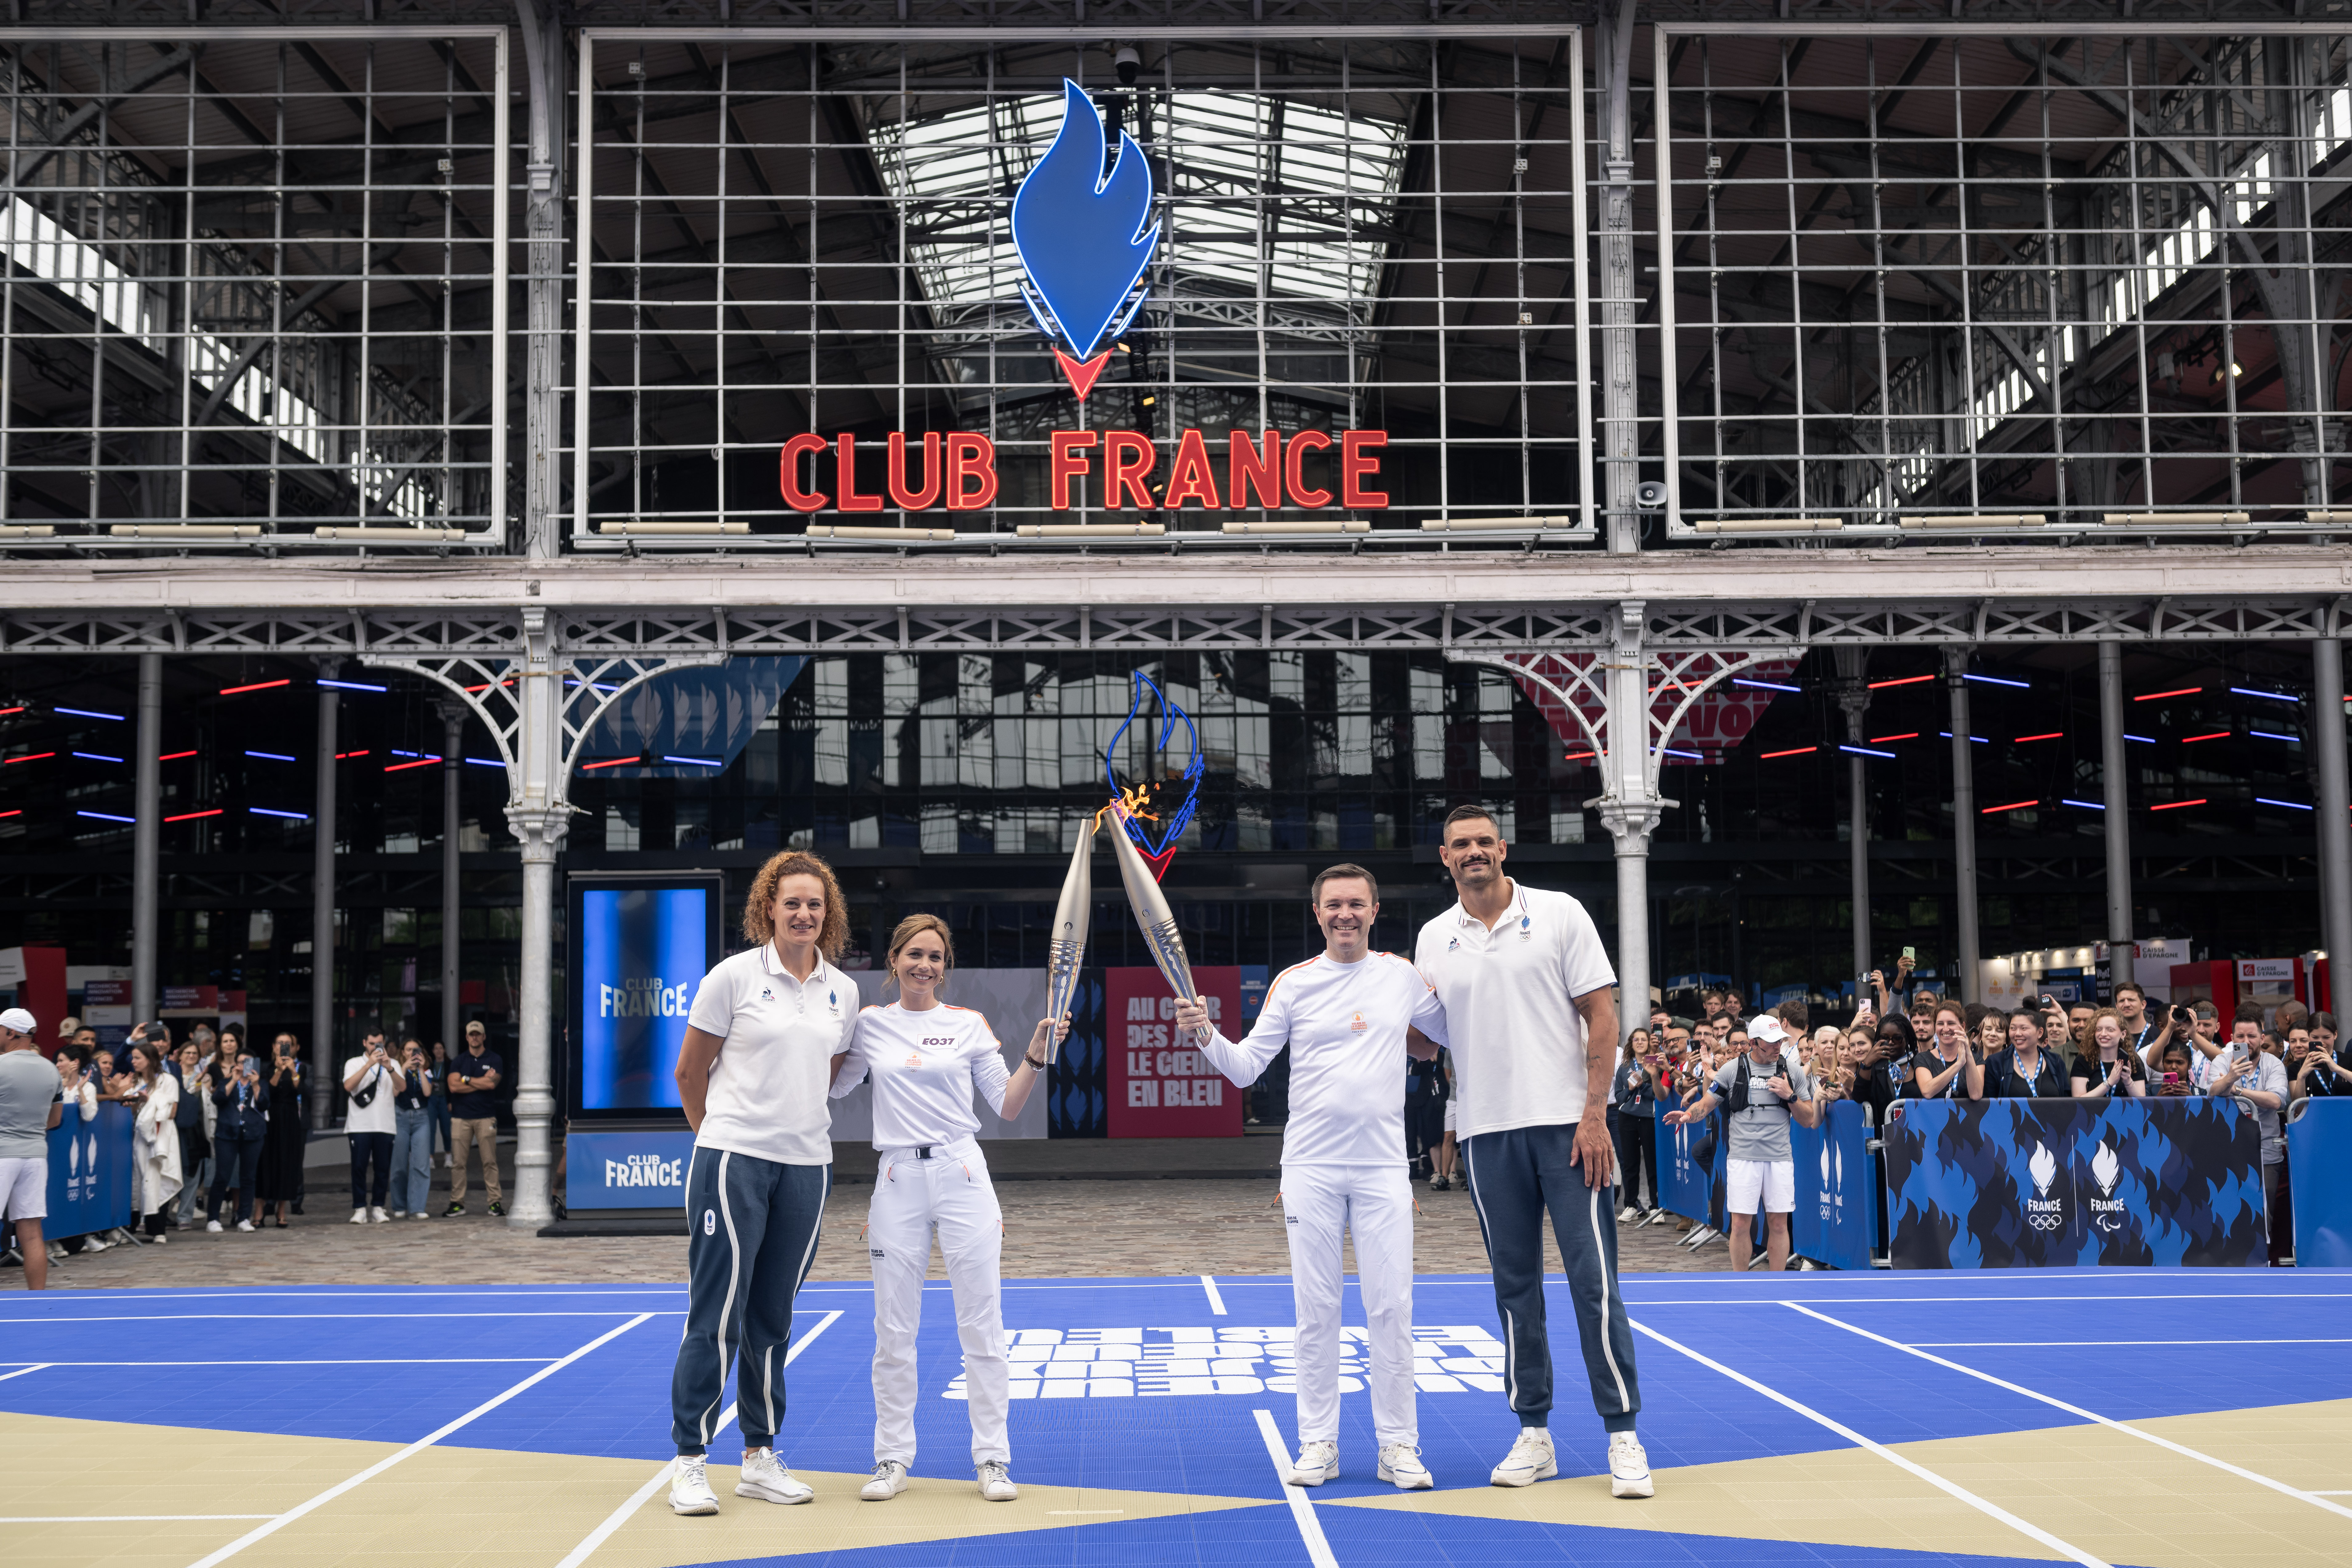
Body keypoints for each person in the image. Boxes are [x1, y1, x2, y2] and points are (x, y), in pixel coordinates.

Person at [1177, 865, 1449, 1492]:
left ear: (1375, 911)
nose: (1344, 913)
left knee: (1391, 1308)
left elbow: (1449, 1032)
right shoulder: (1294, 983)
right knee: (1317, 1309)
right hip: (1311, 1168)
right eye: (1334, 905)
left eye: (1356, 903)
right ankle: (1318, 1441)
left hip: (1383, 1167)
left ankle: (1398, 1445)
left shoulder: (1401, 976)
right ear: (1317, 912)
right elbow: (1245, 1068)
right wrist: (1205, 1034)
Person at [1412, 806, 1650, 1499]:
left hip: (1568, 1126)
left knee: (1593, 1281)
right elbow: (1425, 1039)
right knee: (1514, 1288)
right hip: (1486, 1133)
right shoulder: (1432, 937)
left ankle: (1623, 1433)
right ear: (1445, 856)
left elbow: (1602, 1015)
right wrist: (1366, 1000)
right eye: (1461, 844)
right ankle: (1534, 1432)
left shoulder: (1559, 913)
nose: (1474, 851)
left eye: (1484, 841)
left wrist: (1595, 1114)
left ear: (1503, 848)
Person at [834, 913, 1064, 1505]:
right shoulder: (870, 1024)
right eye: (914, 954)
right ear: (894, 960)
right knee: (893, 1330)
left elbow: (1007, 1104)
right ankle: (892, 1458)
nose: (925, 965)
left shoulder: (968, 1024)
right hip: (897, 1177)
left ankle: (993, 1459)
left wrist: (1035, 1056)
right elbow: (833, 1087)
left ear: (946, 966)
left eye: (935, 957)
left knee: (982, 1324)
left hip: (962, 1173)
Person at [667, 850, 857, 1518]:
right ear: (768, 908)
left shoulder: (842, 990)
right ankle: (690, 1461)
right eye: (792, 902)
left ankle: (758, 1456)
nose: (804, 913)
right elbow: (689, 1073)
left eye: (815, 903)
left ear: (828, 912)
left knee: (772, 1316)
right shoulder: (733, 977)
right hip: (732, 1159)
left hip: (807, 1165)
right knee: (718, 1312)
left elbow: (825, 1073)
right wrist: (720, 1139)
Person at [1667, 1015, 1819, 1272]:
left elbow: (1808, 1119)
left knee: (1778, 1224)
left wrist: (1790, 1095)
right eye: (1771, 1042)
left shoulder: (1792, 1071)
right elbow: (1706, 1103)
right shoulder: (1732, 1069)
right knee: (1739, 1224)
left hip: (1779, 1158)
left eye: (1780, 1041)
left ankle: (1778, 1283)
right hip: (1742, 1158)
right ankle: (1741, 1282)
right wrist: (1687, 1115)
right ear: (1753, 1042)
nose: (1777, 1046)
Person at [2210, 1007, 2288, 1231]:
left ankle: (2264, 1254)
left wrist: (2236, 1089)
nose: (2246, 1041)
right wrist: (2231, 1077)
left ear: (2262, 1038)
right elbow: (2213, 1092)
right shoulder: (2222, 1061)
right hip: (2228, 1150)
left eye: (2252, 1036)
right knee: (2227, 1212)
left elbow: (2275, 1101)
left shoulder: (2274, 1064)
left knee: (2264, 1213)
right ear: (2232, 1038)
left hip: (2265, 1151)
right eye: (2241, 1036)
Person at [0, 1008, 62, 1289]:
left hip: (3, 1154)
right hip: (36, 1155)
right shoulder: (51, 1069)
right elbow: (55, 1120)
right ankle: (38, 1300)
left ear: (11, 1032)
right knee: (32, 1232)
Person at [341, 1030, 404, 1224]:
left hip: (385, 1125)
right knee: (359, 1168)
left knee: (383, 1169)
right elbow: (348, 1086)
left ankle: (378, 1207)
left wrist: (389, 1068)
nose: (376, 1047)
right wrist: (369, 1065)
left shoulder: (393, 1063)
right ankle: (360, 1209)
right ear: (364, 1043)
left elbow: (402, 1088)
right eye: (372, 1044)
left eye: (379, 1044)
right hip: (359, 1125)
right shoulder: (353, 1063)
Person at [445, 1022, 504, 1217]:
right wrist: (479, 1081)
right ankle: (457, 1203)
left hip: (486, 1117)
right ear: (467, 1037)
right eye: (472, 1035)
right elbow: (453, 1087)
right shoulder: (458, 1061)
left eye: (478, 1034)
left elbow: (491, 1085)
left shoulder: (495, 1059)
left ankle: (495, 1203)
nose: (475, 1038)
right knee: (458, 1164)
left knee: (490, 1162)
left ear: (484, 1037)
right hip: (460, 1119)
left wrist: (466, 1079)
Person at [126, 1042, 182, 1239]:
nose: (133, 1062)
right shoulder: (133, 1081)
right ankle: (132, 1227)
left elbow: (172, 1112)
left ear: (150, 1060)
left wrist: (151, 1103)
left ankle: (157, 1230)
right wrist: (138, 1103)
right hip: (139, 1136)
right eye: (133, 1058)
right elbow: (131, 1112)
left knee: (158, 1176)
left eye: (137, 1058)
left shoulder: (168, 1081)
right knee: (137, 1178)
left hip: (161, 1135)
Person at [208, 1051, 268, 1232]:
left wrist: (256, 1085)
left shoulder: (261, 1083)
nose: (243, 1066)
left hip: (253, 1134)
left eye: (248, 1062)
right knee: (222, 1176)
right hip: (227, 1133)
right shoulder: (226, 1081)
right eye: (240, 1062)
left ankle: (244, 1218)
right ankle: (213, 1219)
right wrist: (233, 1080)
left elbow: (264, 1105)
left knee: (249, 1177)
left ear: (255, 1064)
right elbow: (217, 1099)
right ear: (235, 1064)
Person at [256, 1034, 306, 1227]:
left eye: (288, 1044)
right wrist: (279, 1070)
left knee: (287, 1163)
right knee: (265, 1163)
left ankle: (282, 1210)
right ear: (273, 1046)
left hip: (290, 1118)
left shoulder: (300, 1068)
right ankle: (260, 1210)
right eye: (280, 1043)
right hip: (270, 1118)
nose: (284, 1046)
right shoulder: (265, 1068)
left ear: (294, 1047)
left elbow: (300, 1090)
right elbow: (267, 1092)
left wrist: (292, 1070)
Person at [1613, 1029, 1659, 1219]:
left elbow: (1659, 1093)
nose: (1640, 1043)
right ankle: (1631, 1205)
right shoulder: (1624, 1067)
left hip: (1649, 1117)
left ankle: (1656, 1206)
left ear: (1649, 1043)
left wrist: (1643, 1086)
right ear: (1631, 1044)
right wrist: (1631, 1089)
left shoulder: (1655, 1064)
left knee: (1652, 1162)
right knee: (1630, 1163)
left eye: (1644, 1040)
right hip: (1627, 1117)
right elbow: (1619, 1097)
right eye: (1636, 1040)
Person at [389, 1038, 436, 1216]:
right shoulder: (396, 1068)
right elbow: (395, 1092)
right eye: (408, 1050)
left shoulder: (427, 1070)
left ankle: (418, 1207)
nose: (412, 1053)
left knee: (421, 1165)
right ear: (403, 1052)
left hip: (421, 1118)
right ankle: (400, 1206)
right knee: (399, 1165)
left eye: (415, 1050)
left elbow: (427, 1092)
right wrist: (403, 1068)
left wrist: (421, 1069)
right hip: (400, 1117)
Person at [170, 1040, 211, 1229]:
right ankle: (160, 1217)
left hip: (195, 1130)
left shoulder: (205, 1077)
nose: (192, 1056)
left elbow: (200, 1101)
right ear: (180, 1055)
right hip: (173, 1129)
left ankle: (185, 1217)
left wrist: (198, 1083)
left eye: (195, 1053)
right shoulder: (170, 1076)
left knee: (192, 1175)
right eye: (188, 1053)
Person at [1983, 1009, 2068, 1098]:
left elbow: (2067, 1101)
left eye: (2024, 1028)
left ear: (2040, 1033)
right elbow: (1988, 1104)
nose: (2018, 1034)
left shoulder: (2056, 1061)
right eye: (2013, 1028)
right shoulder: (1996, 1063)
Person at [1910, 1002, 1983, 1099]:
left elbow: (1976, 1095)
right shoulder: (1923, 1058)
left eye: (1951, 1023)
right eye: (1940, 1024)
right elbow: (1927, 1092)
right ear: (1935, 1027)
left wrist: (1968, 1055)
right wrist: (1959, 1064)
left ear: (1963, 1026)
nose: (1945, 1029)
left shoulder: (1977, 1060)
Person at [2070, 1009, 2146, 1099]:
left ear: (2123, 1034)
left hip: (2125, 1109)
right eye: (2099, 1030)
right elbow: (2078, 1101)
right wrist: (2109, 1083)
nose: (2103, 1034)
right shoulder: (2083, 1060)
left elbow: (2143, 1102)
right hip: (2094, 1109)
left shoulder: (2133, 1060)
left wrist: (2128, 1082)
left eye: (2110, 1030)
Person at [429, 1039, 453, 1167]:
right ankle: (430, 1157)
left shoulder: (450, 1065)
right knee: (431, 1130)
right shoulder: (429, 1065)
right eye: (436, 1049)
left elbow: (453, 1084)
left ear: (444, 1050)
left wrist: (451, 1101)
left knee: (446, 1130)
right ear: (433, 1051)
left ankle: (448, 1155)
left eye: (440, 1048)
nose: (438, 1051)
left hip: (445, 1100)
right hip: (432, 1100)